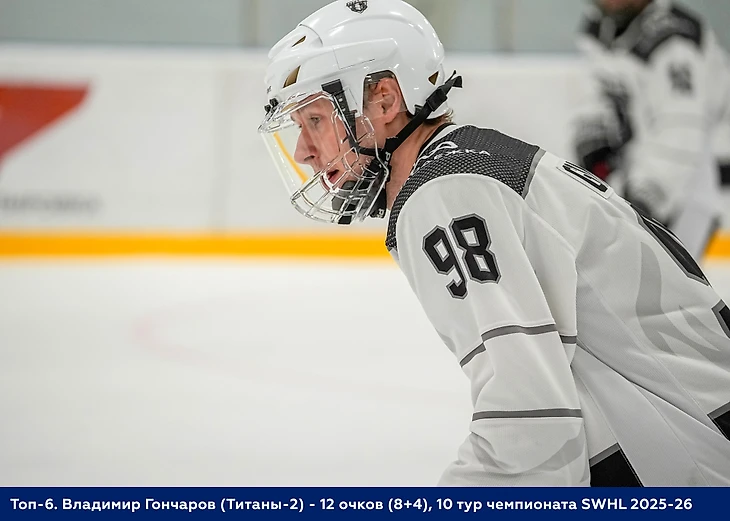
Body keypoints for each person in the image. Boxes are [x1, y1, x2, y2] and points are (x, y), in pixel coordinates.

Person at [257, 0, 730, 486]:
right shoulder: (470, 164)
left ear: (384, 100)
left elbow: (531, 424)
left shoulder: (446, 193)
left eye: (315, 120)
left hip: (698, 462)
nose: (303, 151)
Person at [571, 0, 730, 260]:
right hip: (643, 170)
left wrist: (647, 197)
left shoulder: (674, 39)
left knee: (672, 279)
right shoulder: (601, 28)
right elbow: (595, 96)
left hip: (697, 184)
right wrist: (594, 148)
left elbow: (682, 131)